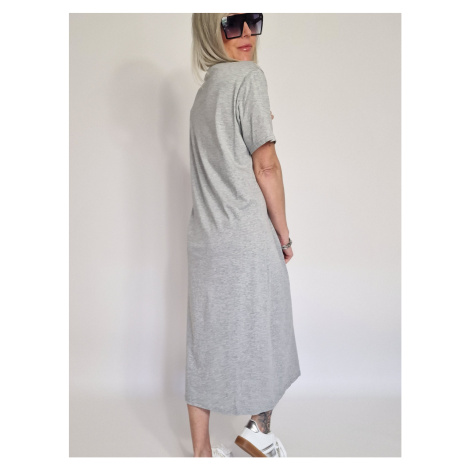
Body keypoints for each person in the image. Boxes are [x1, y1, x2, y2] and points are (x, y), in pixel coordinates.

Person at [185, 13, 301, 457]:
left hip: (205, 238)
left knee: (204, 339)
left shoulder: (203, 94)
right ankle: (259, 431)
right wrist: (283, 235)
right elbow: (265, 165)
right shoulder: (249, 77)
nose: (247, 34)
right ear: (209, 29)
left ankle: (200, 453)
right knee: (268, 328)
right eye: (232, 24)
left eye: (253, 20)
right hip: (246, 234)